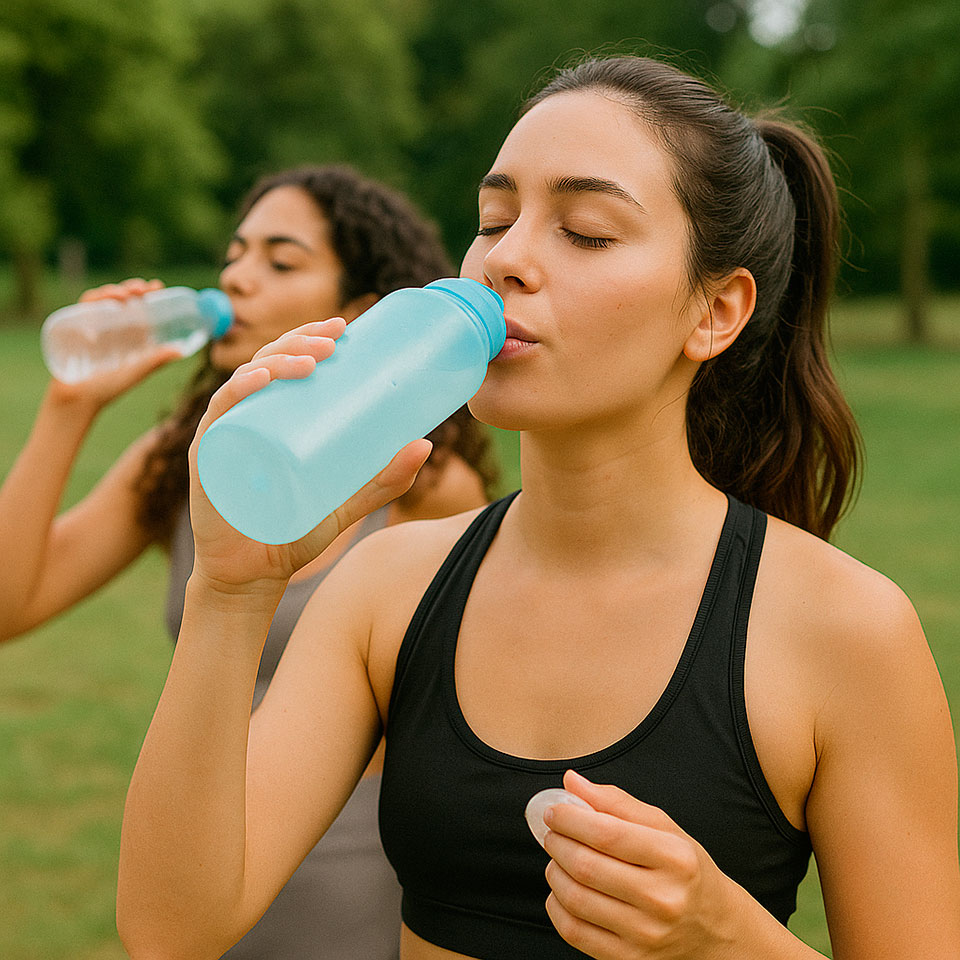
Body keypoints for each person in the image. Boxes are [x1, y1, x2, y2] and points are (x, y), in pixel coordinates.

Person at [117, 56, 960, 960]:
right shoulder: (388, 588)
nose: (506, 258)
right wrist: (231, 591)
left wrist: (728, 941)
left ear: (716, 312)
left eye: (586, 232)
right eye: (493, 219)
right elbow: (175, 929)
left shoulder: (844, 630)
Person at [0, 164, 499, 959]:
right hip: (187, 858)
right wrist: (70, 406)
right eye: (235, 253)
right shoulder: (187, 461)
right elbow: (10, 605)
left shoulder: (424, 482)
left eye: (280, 259)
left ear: (365, 314)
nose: (236, 275)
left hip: (354, 883)